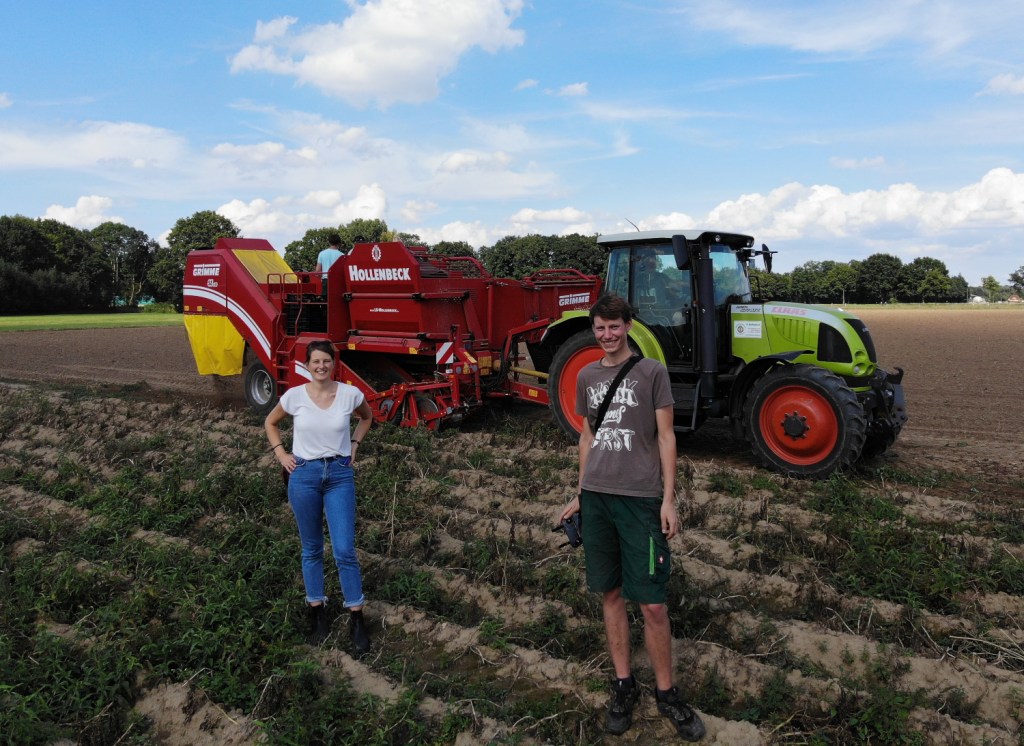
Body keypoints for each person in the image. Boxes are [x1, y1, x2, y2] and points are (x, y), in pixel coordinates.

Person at [557, 293, 705, 741]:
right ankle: (624, 685)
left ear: (628, 326)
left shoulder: (650, 372)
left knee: (654, 603)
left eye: (614, 326)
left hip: (640, 499)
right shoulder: (585, 375)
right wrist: (581, 491)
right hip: (598, 497)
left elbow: (665, 438)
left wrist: (668, 499)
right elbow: (586, 436)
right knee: (611, 593)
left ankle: (666, 693)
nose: (607, 335)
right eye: (600, 328)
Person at [265, 339, 374, 656]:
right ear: (307, 365)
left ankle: (356, 618)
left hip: (339, 475)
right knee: (311, 547)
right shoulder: (295, 396)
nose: (321, 366)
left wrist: (354, 445)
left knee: (344, 549)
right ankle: (318, 613)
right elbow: (271, 422)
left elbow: (366, 417)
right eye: (316, 362)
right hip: (304, 476)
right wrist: (281, 454)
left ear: (333, 364)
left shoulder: (350, 394)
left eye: (326, 361)